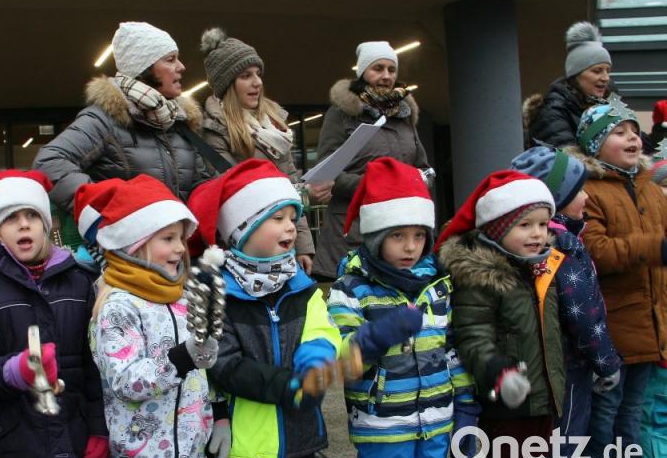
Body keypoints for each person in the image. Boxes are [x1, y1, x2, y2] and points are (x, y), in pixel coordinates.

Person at [0, 170, 110, 458]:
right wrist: (17, 371)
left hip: (75, 435)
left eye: (32, 216)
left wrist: (99, 427)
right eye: (10, 219)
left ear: (46, 225)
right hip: (16, 444)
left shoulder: (77, 281)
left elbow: (95, 366)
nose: (24, 225)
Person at [187, 159, 341, 458]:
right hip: (246, 448)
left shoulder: (299, 285)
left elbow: (322, 330)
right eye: (277, 218)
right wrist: (289, 385)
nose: (291, 227)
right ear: (242, 228)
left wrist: (315, 361)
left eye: (293, 217)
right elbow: (222, 363)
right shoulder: (217, 292)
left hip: (301, 440)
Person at [328, 157, 474, 458]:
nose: (410, 247)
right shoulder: (351, 290)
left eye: (419, 235)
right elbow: (344, 362)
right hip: (382, 424)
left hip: (436, 418)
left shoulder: (438, 286)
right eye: (397, 235)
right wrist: (382, 334)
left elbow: (452, 347)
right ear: (376, 237)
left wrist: (466, 401)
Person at [88, 174, 222, 458]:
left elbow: (201, 372)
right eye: (168, 238)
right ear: (136, 245)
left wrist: (215, 412)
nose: (180, 247)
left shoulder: (184, 296)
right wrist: (181, 358)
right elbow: (125, 380)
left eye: (181, 237)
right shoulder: (119, 305)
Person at [436, 171, 566, 458]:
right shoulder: (481, 277)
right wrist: (499, 372)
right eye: (525, 225)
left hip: (543, 396)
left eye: (542, 224)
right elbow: (472, 335)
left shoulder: (542, 268)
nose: (537, 233)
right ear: (496, 227)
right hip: (506, 400)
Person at [566, 101, 667, 458]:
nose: (631, 137)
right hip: (612, 325)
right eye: (618, 132)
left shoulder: (649, 189)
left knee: (632, 411)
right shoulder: (589, 190)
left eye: (632, 131)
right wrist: (654, 246)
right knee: (604, 414)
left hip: (649, 321)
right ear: (595, 144)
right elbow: (598, 251)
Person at [510, 147, 623, 458]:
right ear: (557, 198)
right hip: (570, 369)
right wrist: (607, 364)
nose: (587, 196)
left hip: (533, 368)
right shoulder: (566, 247)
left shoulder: (521, 242)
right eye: (579, 191)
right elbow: (585, 317)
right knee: (564, 453)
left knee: (536, 454)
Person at [33, 22, 214, 217]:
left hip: (178, 244)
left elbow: (199, 185)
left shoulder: (178, 121)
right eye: (170, 59)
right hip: (124, 246)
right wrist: (111, 209)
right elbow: (49, 162)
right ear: (143, 68)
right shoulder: (103, 119)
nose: (181, 67)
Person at [198, 28, 318, 275]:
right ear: (228, 84)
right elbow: (232, 196)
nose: (257, 82)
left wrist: (304, 245)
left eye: (258, 74)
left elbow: (292, 188)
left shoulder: (275, 126)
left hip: (284, 241)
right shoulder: (215, 131)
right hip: (245, 250)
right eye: (245, 75)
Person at [313, 41, 430, 281]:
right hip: (352, 234)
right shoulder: (342, 114)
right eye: (378, 68)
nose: (386, 76)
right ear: (363, 72)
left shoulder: (405, 115)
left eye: (391, 69)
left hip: (401, 230)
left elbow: (423, 168)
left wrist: (420, 180)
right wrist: (378, 186)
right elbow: (325, 172)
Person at [524, 21, 613, 148]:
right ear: (576, 74)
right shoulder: (552, 112)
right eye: (597, 71)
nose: (605, 78)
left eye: (608, 71)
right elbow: (566, 159)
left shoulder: (609, 105)